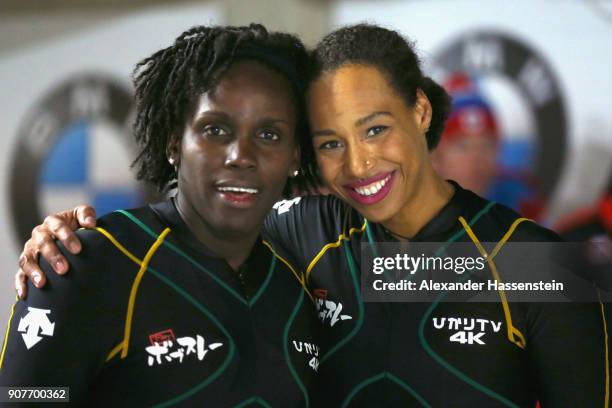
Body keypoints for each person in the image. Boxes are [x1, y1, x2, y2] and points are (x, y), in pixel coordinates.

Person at [15, 24, 609, 407]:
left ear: (421, 111)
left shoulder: (538, 264)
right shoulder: (304, 234)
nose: (359, 164)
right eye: (330, 143)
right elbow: (189, 242)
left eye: (375, 129)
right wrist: (64, 239)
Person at [1, 24, 321, 406]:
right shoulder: (85, 265)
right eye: (215, 129)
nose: (241, 156)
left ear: (295, 157)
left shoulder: (302, 278)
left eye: (269, 135)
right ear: (174, 142)